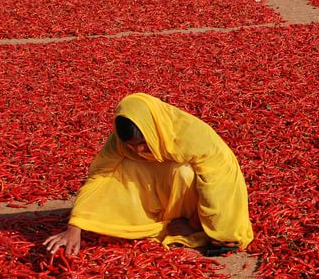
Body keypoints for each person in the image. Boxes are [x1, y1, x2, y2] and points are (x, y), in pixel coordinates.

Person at [43, 93, 253, 256]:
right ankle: (157, 220)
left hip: (196, 202)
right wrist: (76, 226)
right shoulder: (119, 143)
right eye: (132, 146)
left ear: (153, 131)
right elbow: (99, 176)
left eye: (143, 143)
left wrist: (200, 226)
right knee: (123, 167)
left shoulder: (194, 138)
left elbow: (219, 186)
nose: (139, 150)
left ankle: (186, 221)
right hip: (165, 196)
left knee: (183, 171)